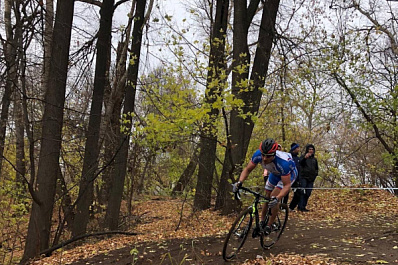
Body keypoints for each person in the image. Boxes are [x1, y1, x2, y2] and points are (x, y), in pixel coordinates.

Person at [232, 138, 298, 234]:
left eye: (268, 156)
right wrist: (239, 182)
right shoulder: (258, 154)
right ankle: (262, 222)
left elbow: (287, 186)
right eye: (263, 155)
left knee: (273, 197)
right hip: (274, 173)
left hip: (288, 175)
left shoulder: (282, 163)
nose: (264, 158)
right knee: (267, 196)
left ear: (274, 154)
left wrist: (278, 198)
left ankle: (269, 225)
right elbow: (247, 170)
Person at [298, 144, 318, 212]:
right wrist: (305, 158)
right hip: (304, 178)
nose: (311, 151)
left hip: (311, 179)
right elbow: (300, 164)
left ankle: (304, 206)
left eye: (312, 149)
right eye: (310, 149)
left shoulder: (314, 160)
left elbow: (316, 169)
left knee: (308, 193)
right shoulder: (303, 157)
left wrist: (315, 175)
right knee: (302, 192)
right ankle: (300, 207)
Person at [288, 143, 301, 211]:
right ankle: (282, 207)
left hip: (296, 179)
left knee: (298, 193)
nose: (299, 150)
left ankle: (291, 207)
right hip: (288, 178)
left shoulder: (298, 158)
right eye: (297, 148)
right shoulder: (289, 157)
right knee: (285, 193)